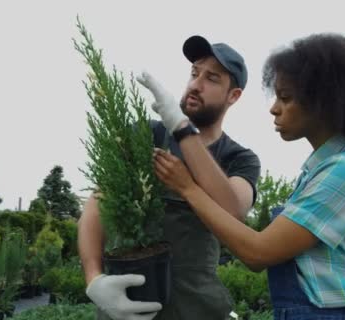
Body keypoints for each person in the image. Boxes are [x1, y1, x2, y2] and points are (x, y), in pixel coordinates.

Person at [151, 33, 345, 320]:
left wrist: (188, 188)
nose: (274, 108)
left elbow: (258, 253)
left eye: (286, 97)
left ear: (325, 101)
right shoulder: (322, 169)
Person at [78, 35, 261, 320]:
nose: (196, 85)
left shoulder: (238, 158)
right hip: (129, 305)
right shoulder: (147, 135)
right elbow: (98, 204)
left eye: (212, 78)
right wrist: (94, 279)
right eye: (194, 73)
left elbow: (234, 209)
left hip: (197, 307)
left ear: (233, 95)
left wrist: (181, 127)